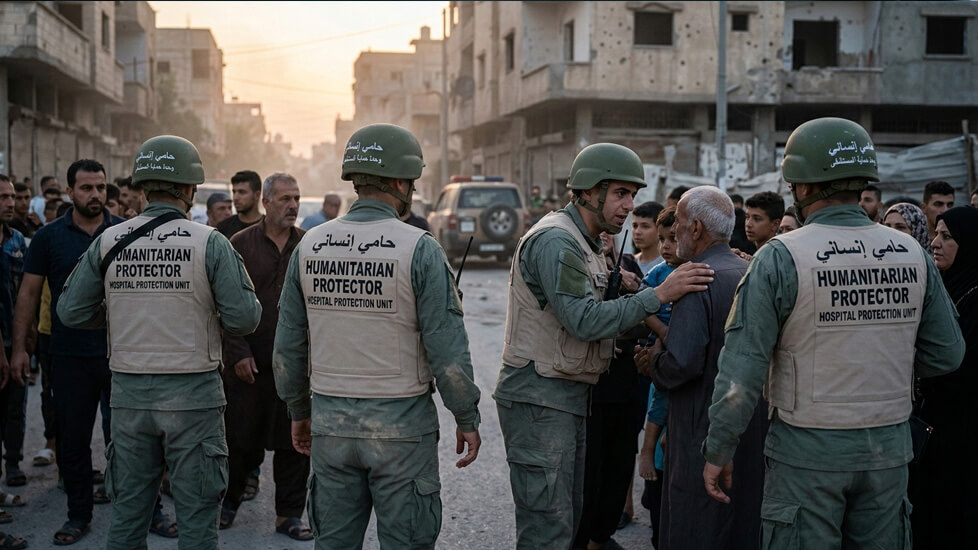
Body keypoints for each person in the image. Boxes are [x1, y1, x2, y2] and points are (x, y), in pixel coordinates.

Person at [701, 118, 964, 549]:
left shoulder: (780, 256)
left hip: (806, 455)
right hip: (889, 451)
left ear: (802, 189)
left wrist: (718, 448)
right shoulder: (912, 251)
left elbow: (741, 372)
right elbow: (947, 354)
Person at [493, 142, 714, 549]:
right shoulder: (559, 241)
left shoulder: (588, 242)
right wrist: (658, 295)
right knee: (548, 528)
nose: (630, 205)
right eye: (619, 193)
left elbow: (596, 315)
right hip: (542, 398)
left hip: (568, 394)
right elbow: (582, 320)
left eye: (632, 194)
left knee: (569, 520)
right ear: (587, 192)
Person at [273, 123, 482, 549]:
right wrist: (466, 416)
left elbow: (287, 347)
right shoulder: (419, 248)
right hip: (401, 432)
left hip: (331, 428)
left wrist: (298, 409)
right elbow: (447, 350)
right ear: (401, 182)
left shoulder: (311, 245)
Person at [56, 135, 262, 550]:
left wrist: (121, 312)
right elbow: (244, 317)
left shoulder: (110, 240)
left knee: (128, 520)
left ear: (142, 188)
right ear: (190, 189)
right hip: (194, 399)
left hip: (130, 398)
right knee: (199, 522)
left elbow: (70, 312)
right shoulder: (209, 242)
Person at [638, 186, 764, 550]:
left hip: (700, 429)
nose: (672, 231)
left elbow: (681, 364)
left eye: (676, 222)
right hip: (748, 425)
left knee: (697, 523)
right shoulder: (749, 270)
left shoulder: (695, 280)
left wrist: (653, 360)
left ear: (694, 228)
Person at [10, 159, 122, 545]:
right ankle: (79, 515)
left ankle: (144, 511)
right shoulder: (49, 237)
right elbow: (27, 293)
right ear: (70, 191)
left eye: (101, 187)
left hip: (120, 356)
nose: (95, 195)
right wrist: (21, 351)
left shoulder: (124, 234)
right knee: (72, 440)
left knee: (125, 439)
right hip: (69, 356)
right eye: (87, 188)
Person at [219, 173, 311, 540]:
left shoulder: (309, 246)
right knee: (240, 441)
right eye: (285, 198)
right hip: (249, 366)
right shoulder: (239, 243)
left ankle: (288, 515)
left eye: (297, 199)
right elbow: (224, 303)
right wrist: (238, 352)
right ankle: (228, 503)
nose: (292, 206)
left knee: (295, 444)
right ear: (267, 202)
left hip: (294, 368)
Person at [908, 206, 978, 548]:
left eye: (947, 237)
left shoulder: (975, 298)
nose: (935, 243)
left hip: (962, 435)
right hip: (934, 429)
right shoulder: (940, 288)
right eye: (936, 234)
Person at [636, 206, 683, 549]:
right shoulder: (657, 274)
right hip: (663, 349)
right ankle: (649, 451)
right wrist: (661, 334)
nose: (666, 247)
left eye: (672, 239)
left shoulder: (694, 273)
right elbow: (641, 304)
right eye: (663, 240)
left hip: (677, 352)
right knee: (658, 397)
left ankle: (654, 447)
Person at [0, 177, 28, 495]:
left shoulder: (17, 240)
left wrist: (23, 342)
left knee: (16, 407)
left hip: (15, 339)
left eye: (11, 196)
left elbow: (24, 294)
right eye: (3, 198)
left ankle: (14, 464)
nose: (9, 203)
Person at [217, 170, 264, 238]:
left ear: (257, 195)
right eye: (234, 192)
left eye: (242, 192)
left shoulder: (270, 227)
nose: (235, 197)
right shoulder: (224, 228)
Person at [631, 201, 665, 274]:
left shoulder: (667, 264)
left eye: (645, 226)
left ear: (659, 229)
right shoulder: (628, 263)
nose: (637, 232)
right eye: (635, 226)